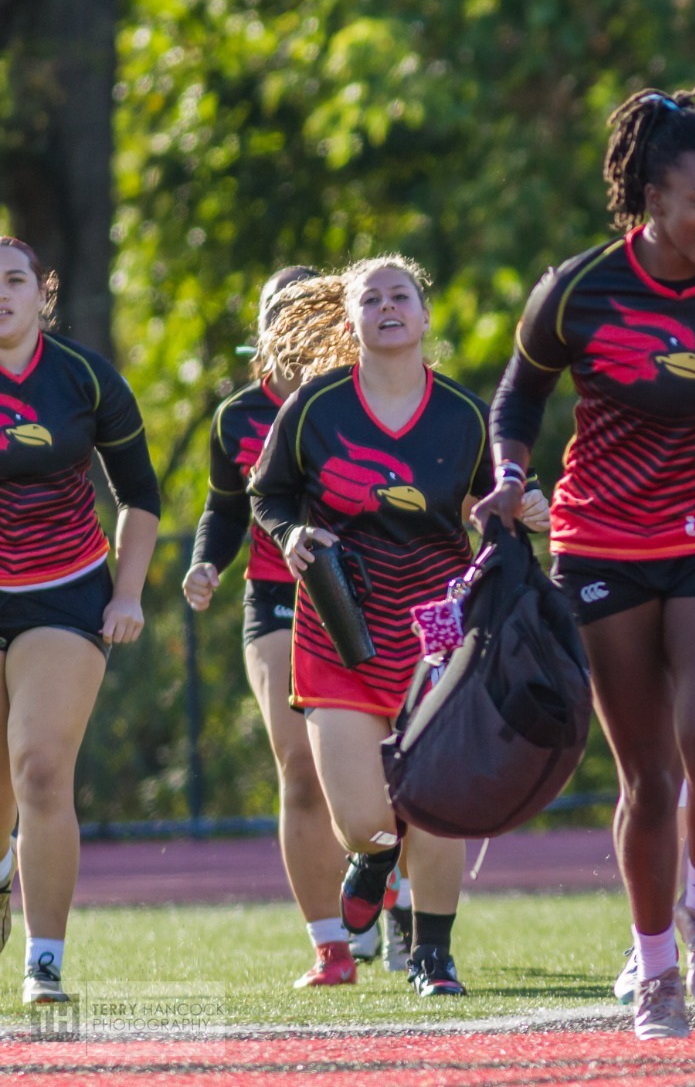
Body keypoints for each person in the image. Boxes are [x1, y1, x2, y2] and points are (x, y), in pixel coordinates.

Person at [481, 88, 695, 1040]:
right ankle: (659, 971)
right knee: (646, 777)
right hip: (602, 543)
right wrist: (511, 477)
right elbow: (518, 400)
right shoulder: (580, 288)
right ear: (652, 199)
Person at [251, 260, 545, 1002]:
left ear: (423, 314)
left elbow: (498, 495)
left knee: (438, 801)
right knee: (364, 822)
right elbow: (269, 492)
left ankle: (433, 957)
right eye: (370, 299)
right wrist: (289, 535)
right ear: (350, 322)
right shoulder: (316, 408)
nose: (387, 307)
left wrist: (523, 508)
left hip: (435, 633)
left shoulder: (462, 412)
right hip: (338, 630)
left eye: (400, 295)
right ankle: (375, 865)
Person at [184, 266, 388, 988]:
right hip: (275, 596)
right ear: (263, 326)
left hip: (374, 596)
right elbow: (224, 508)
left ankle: (384, 882)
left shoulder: (358, 399)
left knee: (388, 763)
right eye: (281, 312)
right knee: (299, 766)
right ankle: (331, 945)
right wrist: (206, 563)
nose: (294, 325)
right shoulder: (237, 414)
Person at [0, 237, 160, 1004]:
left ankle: (45, 959)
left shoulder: (86, 378)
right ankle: (5, 863)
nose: (2, 294)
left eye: (13, 280)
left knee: (37, 764)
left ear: (42, 292)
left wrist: (125, 594)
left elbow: (141, 497)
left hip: (64, 594)